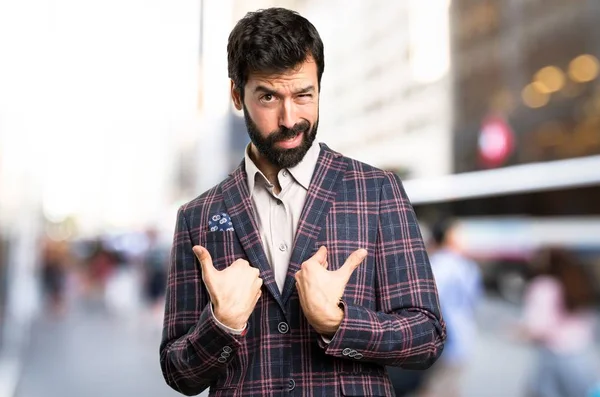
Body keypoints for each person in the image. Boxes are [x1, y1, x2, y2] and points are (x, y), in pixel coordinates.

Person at [159, 8, 446, 396]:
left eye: (303, 95)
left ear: (319, 89)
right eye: (268, 97)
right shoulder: (197, 216)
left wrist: (338, 321)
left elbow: (427, 336)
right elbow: (179, 374)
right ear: (236, 95)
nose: (289, 118)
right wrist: (221, 323)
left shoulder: (376, 191)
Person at [517, 247, 598, 397]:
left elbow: (537, 328)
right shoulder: (577, 281)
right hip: (581, 357)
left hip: (553, 359)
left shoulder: (543, 286)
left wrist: (517, 332)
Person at [417, 219, 482, 397]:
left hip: (444, 341)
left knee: (437, 388)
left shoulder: (435, 264)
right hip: (458, 339)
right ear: (449, 237)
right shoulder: (466, 266)